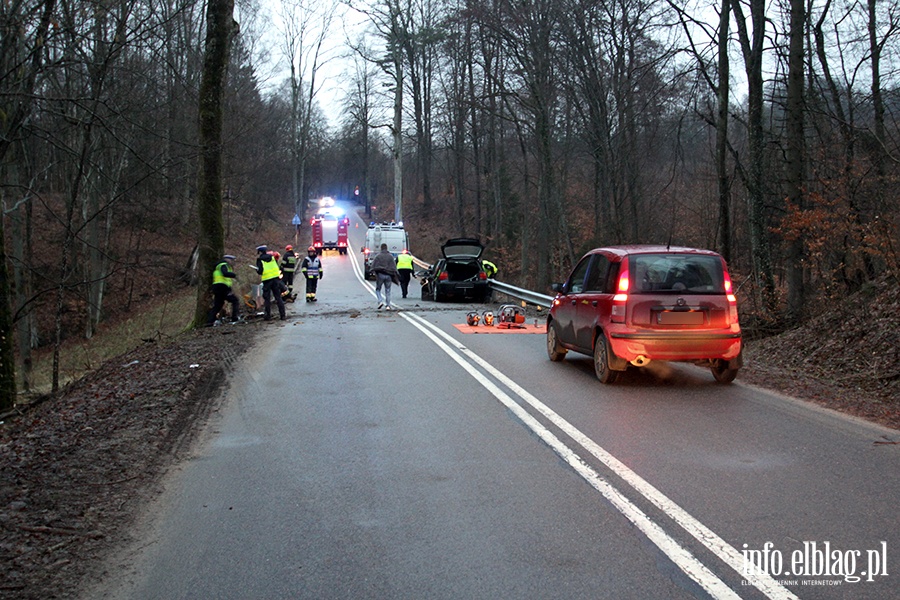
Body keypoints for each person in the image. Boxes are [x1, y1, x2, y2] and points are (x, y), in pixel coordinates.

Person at [206, 254, 240, 325]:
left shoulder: (219, 265)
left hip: (218, 287)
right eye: (232, 260)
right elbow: (225, 273)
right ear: (227, 259)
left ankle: (210, 321)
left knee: (218, 304)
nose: (232, 262)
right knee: (235, 300)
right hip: (222, 287)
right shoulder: (223, 265)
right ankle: (234, 318)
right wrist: (234, 275)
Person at [255, 245, 286, 321]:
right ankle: (283, 315)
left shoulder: (259, 260)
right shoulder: (272, 257)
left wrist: (257, 270)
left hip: (267, 280)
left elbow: (260, 271)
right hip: (275, 279)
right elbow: (276, 267)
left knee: (267, 299)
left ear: (260, 252)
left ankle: (268, 316)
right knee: (278, 297)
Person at [371, 243, 400, 310]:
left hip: (380, 275)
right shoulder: (390, 256)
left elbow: (373, 265)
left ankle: (380, 301)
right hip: (389, 276)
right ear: (386, 248)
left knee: (378, 289)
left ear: (381, 248)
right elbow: (394, 266)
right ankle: (388, 305)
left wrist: (371, 271)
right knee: (388, 290)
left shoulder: (378, 256)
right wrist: (397, 274)